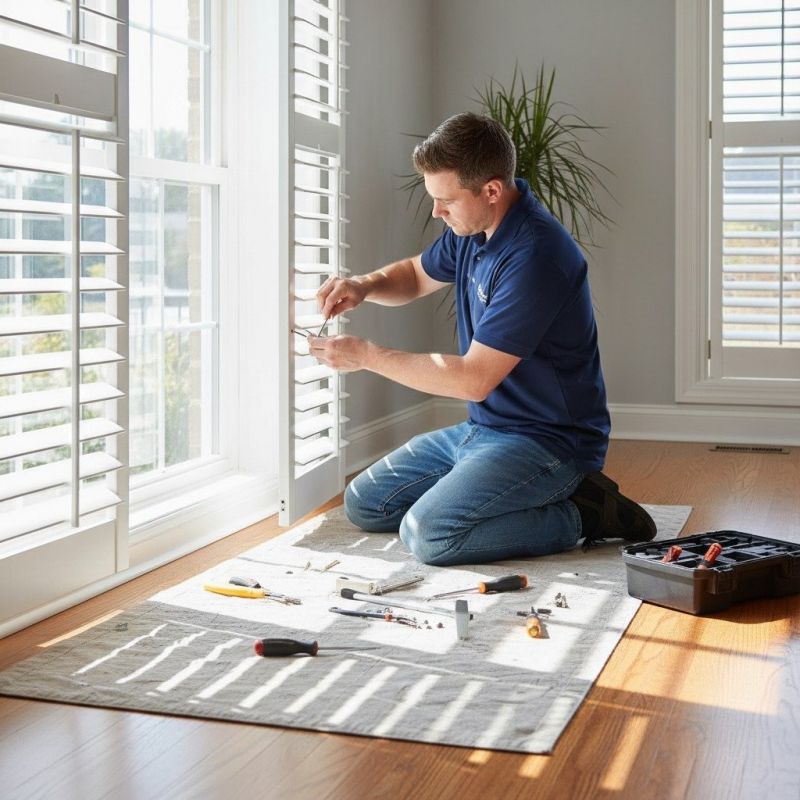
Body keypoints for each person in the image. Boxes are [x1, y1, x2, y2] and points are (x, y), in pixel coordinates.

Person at [308, 111, 655, 567]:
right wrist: (364, 285)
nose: (437, 211)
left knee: (429, 535)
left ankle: (583, 514)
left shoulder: (535, 257)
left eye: (446, 200)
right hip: (483, 429)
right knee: (365, 503)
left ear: (491, 189)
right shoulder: (474, 228)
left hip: (548, 442)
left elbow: (473, 380)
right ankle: (487, 490)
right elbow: (415, 275)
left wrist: (368, 356)